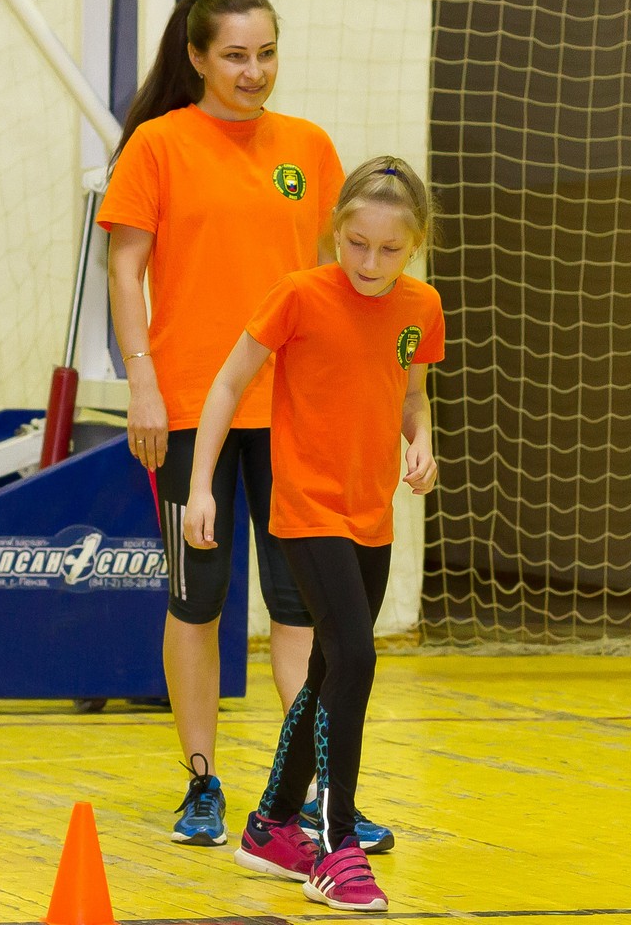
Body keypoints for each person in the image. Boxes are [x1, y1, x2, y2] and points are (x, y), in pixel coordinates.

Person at [97, 0, 393, 853]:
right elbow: (126, 271)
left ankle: (320, 791)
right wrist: (142, 382)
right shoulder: (157, 146)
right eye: (234, 55)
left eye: (265, 53)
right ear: (196, 57)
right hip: (192, 405)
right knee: (199, 600)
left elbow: (341, 278)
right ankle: (202, 781)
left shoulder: (308, 148)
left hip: (294, 412)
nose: (253, 71)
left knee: (303, 610)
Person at [183, 155, 443, 912]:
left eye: (389, 250)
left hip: (372, 511)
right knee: (356, 655)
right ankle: (336, 847)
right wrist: (202, 486)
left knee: (331, 666)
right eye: (356, 243)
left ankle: (270, 823)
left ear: (415, 245)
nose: (370, 262)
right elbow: (228, 382)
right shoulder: (298, 296)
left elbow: (411, 395)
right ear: (336, 232)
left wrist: (420, 441)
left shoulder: (421, 307)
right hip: (306, 507)